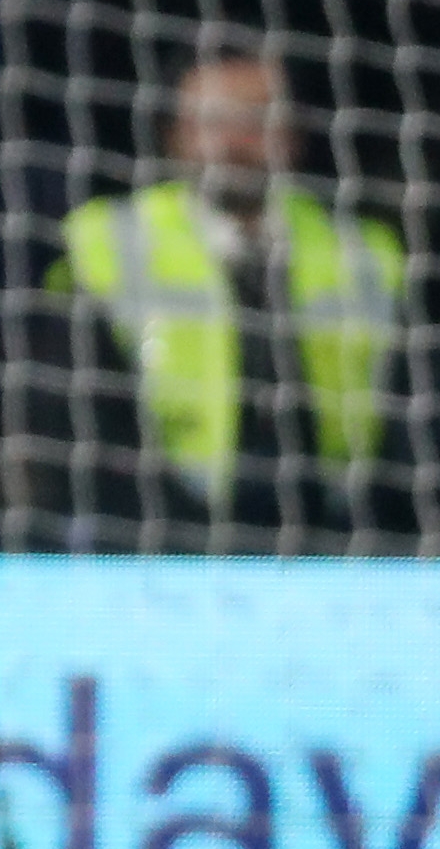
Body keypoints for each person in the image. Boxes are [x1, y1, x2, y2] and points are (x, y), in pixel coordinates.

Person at [31, 41, 410, 545]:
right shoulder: (108, 242)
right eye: (212, 122)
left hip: (337, 537)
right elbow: (80, 422)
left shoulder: (363, 251)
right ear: (174, 138)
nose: (234, 141)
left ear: (293, 137)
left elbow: (401, 412)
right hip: (160, 538)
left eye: (255, 119)